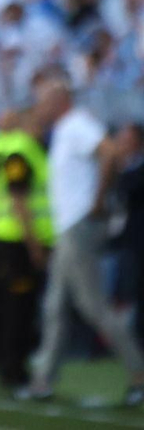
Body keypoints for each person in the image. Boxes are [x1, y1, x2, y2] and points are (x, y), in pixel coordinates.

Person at [19, 80, 144, 407]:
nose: (39, 109)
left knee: (93, 306)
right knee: (55, 306)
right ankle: (42, 379)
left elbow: (111, 152)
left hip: (78, 226)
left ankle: (139, 374)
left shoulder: (77, 124)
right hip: (68, 227)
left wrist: (99, 200)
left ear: (59, 100)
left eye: (43, 102)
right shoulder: (63, 130)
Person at [0, 111, 53, 389]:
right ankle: (11, 367)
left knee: (18, 305)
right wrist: (33, 244)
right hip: (15, 240)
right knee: (16, 306)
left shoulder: (30, 151)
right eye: (37, 122)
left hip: (18, 238)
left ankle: (11, 363)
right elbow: (19, 201)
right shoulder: (20, 152)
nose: (42, 127)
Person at [115, 123, 144, 355]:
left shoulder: (134, 170)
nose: (121, 145)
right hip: (128, 241)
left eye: (126, 140)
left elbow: (127, 190)